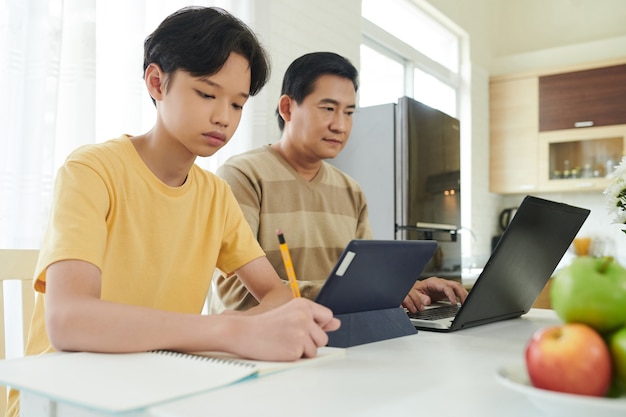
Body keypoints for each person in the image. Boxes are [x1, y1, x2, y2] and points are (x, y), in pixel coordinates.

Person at [7, 8, 340, 417]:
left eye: (237, 104)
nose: (224, 117)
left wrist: (253, 330)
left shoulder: (214, 194)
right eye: (206, 94)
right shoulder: (92, 170)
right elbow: (69, 320)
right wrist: (232, 330)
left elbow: (274, 291)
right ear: (156, 82)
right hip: (62, 397)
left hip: (158, 387)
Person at [215, 52, 468, 313]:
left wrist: (409, 287)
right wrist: (345, 292)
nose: (340, 125)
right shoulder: (243, 176)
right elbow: (235, 291)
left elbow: (366, 279)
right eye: (328, 109)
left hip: (335, 338)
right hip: (258, 345)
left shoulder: (351, 191)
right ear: (287, 108)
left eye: (348, 113)